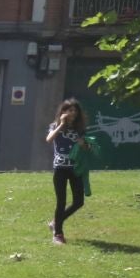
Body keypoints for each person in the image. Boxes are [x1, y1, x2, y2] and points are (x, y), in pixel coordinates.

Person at [45, 97, 89, 244]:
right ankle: (58, 234)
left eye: (75, 111)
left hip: (75, 168)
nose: (73, 113)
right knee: (61, 201)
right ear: (63, 111)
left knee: (79, 201)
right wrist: (61, 124)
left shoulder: (80, 129)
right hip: (60, 168)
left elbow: (86, 147)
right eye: (70, 110)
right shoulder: (55, 125)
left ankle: (55, 223)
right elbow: (49, 139)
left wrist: (83, 144)